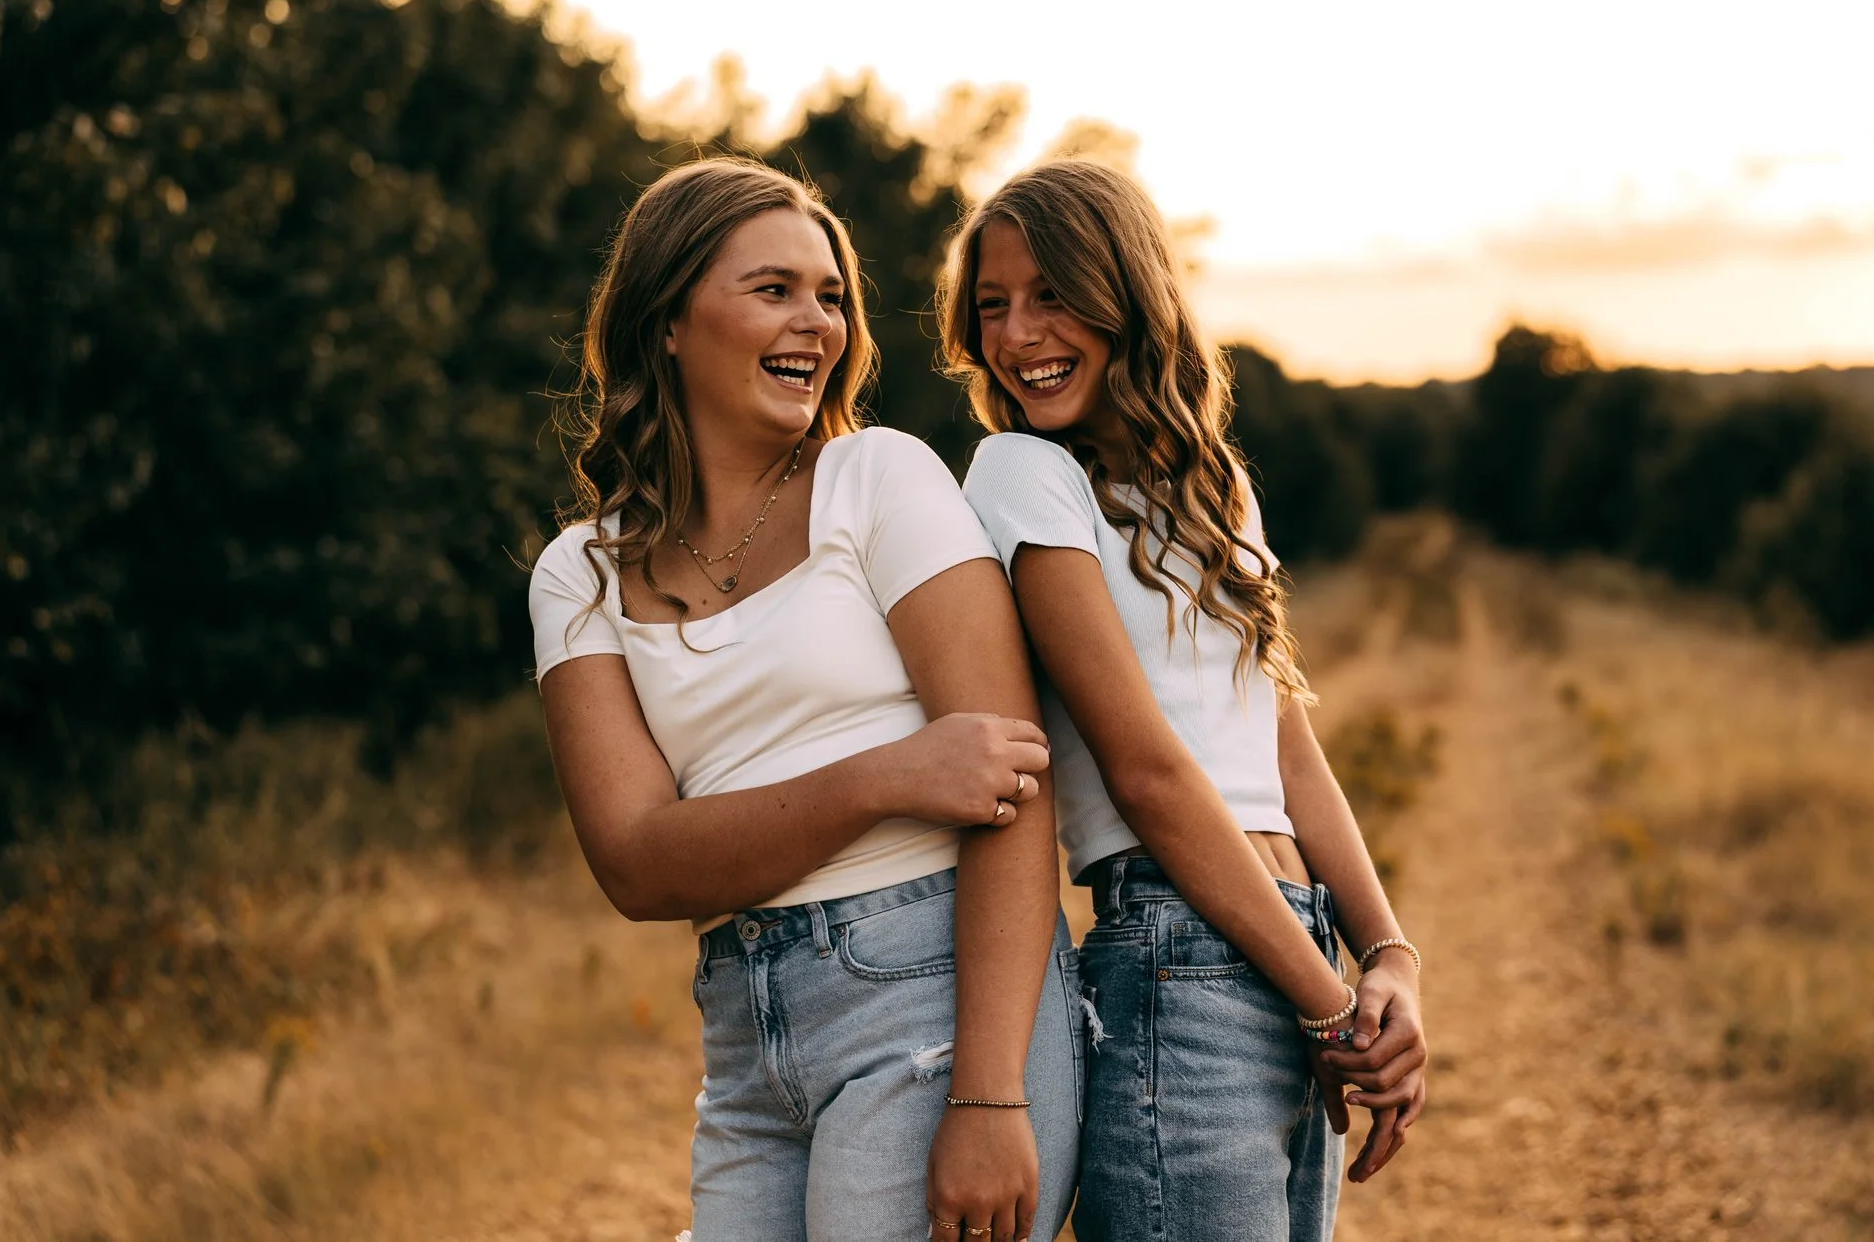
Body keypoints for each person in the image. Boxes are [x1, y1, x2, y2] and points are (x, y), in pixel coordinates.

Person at [528, 158, 1082, 1242]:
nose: (818, 322)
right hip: (746, 1032)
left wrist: (987, 1092)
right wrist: (884, 775)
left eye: (831, 295)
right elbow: (636, 862)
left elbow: (1010, 785)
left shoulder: (880, 477)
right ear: (669, 320)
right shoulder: (576, 573)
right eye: (773, 288)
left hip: (932, 996)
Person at [937, 158, 1429, 1242]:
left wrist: (1386, 953)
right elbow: (1147, 772)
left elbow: (1285, 742)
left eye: (1052, 293)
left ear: (1126, 293)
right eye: (992, 306)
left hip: (1286, 943)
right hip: (1177, 957)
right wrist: (1332, 1005)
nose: (1018, 334)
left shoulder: (1215, 487)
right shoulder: (1020, 474)